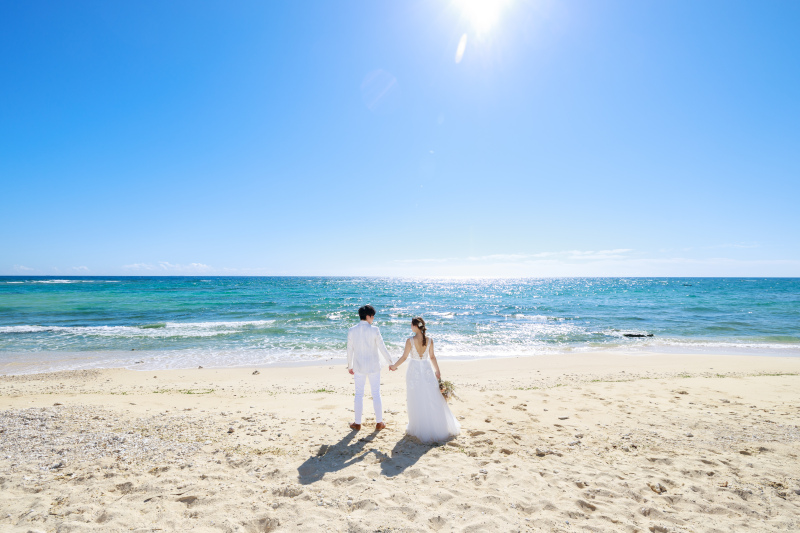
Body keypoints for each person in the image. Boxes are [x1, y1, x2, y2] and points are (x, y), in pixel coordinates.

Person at [389, 317, 460, 443]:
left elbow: (405, 357)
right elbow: (432, 357)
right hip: (427, 369)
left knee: (416, 397)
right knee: (431, 396)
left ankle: (419, 426)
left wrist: (394, 366)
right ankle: (437, 426)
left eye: (411, 324)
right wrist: (437, 370)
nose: (411, 326)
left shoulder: (410, 340)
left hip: (414, 370)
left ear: (416, 326)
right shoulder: (430, 340)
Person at [346, 305, 394, 431]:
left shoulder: (352, 330)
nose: (373, 318)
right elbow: (382, 347)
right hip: (373, 366)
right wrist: (391, 362)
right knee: (376, 393)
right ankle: (379, 422)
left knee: (359, 394)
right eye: (372, 316)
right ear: (368, 316)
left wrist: (349, 366)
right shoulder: (375, 330)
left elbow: (349, 349)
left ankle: (357, 423)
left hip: (358, 366)